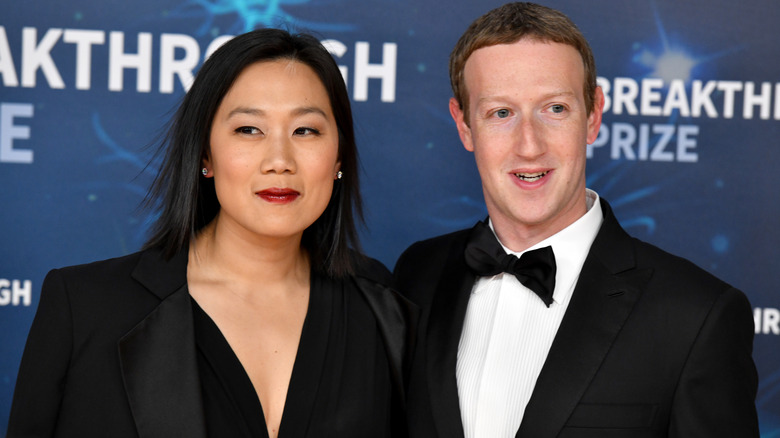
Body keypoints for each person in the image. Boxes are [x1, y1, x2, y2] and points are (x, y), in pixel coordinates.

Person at [8, 28, 415, 438]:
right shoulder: (86, 307)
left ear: (339, 155)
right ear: (206, 155)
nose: (279, 161)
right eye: (248, 130)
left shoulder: (384, 308)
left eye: (305, 131)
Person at [394, 3, 758, 437]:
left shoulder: (694, 316)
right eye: (501, 113)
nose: (529, 146)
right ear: (464, 125)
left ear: (594, 115)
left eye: (555, 109)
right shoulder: (417, 276)